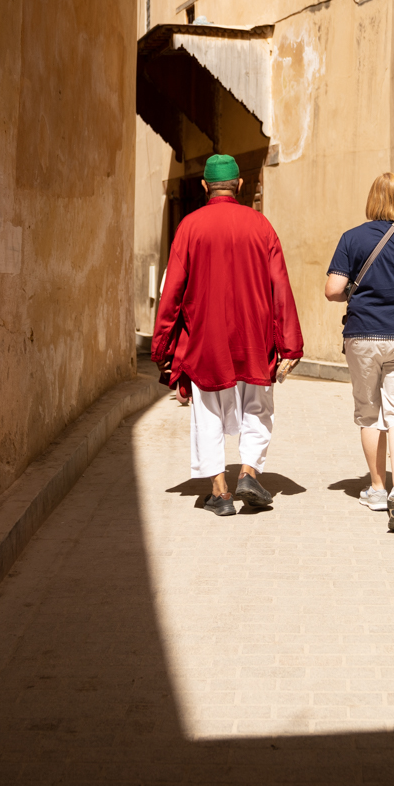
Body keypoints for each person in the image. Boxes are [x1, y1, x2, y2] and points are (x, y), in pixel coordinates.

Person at [152, 154, 304, 516]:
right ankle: (248, 473)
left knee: (207, 412)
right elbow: (280, 287)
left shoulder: (189, 226)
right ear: (239, 185)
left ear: (205, 186)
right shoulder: (261, 226)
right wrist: (289, 345)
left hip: (206, 340)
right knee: (258, 406)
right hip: (254, 337)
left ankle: (220, 493)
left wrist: (161, 346)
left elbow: (173, 291)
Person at [324, 172, 394, 534]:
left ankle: (376, 489)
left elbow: (333, 289)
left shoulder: (352, 238)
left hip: (364, 334)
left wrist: (355, 293)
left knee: (370, 411)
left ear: (372, 200)